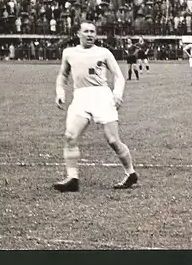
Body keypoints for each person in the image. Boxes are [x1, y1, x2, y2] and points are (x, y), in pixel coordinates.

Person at [54, 21, 138, 192]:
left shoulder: (104, 52)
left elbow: (118, 76)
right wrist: (60, 92)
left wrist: (117, 94)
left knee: (113, 140)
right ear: (78, 34)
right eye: (86, 31)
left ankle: (130, 173)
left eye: (93, 31)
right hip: (81, 96)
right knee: (70, 136)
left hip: (102, 96)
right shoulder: (69, 53)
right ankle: (72, 178)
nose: (90, 34)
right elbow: (63, 75)